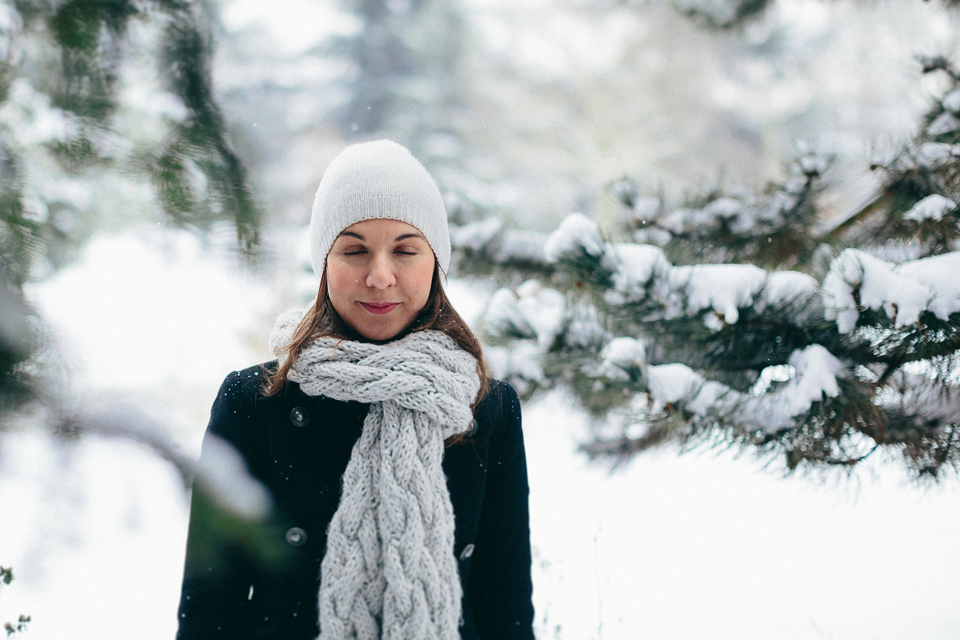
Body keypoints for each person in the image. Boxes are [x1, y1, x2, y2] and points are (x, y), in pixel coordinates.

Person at [176, 140, 534, 640]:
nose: (380, 276)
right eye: (354, 250)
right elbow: (211, 610)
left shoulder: (488, 408)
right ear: (325, 264)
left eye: (406, 250)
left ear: (436, 263)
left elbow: (505, 602)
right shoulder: (254, 402)